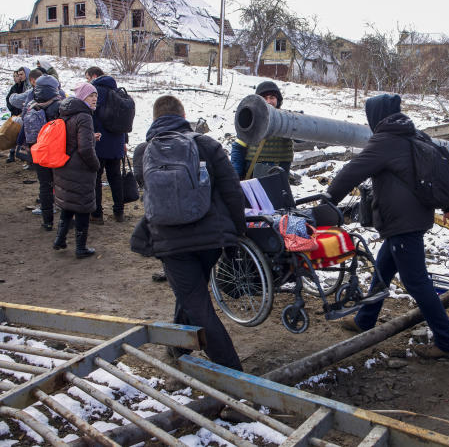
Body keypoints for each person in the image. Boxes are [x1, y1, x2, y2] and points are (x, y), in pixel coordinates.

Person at [325, 93, 449, 360]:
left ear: (375, 117)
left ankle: (447, 343)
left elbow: (352, 171)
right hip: (414, 218)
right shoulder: (414, 134)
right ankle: (365, 319)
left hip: (402, 222)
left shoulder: (385, 140)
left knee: (416, 282)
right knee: (383, 268)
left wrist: (328, 200)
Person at [131, 95, 245, 370]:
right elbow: (233, 191)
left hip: (170, 243)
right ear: (184, 115)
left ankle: (236, 380)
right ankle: (179, 346)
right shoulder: (206, 144)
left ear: (155, 118)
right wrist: (238, 234)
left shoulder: (143, 150)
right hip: (210, 239)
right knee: (193, 295)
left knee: (197, 303)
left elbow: (142, 183)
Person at [52, 83, 101, 258]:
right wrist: (96, 165)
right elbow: (85, 149)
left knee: (68, 204)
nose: (94, 98)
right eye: (90, 96)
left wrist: (91, 138)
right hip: (80, 169)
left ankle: (60, 239)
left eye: (95, 95)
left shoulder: (66, 113)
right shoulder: (84, 116)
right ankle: (81, 248)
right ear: (82, 98)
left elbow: (72, 138)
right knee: (82, 207)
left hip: (64, 166)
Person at [85, 66, 127, 224]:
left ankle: (97, 215)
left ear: (94, 76)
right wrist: (124, 141)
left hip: (99, 141)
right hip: (117, 142)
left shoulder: (94, 91)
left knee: (95, 178)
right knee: (115, 177)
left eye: (88, 77)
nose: (87, 81)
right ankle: (119, 213)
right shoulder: (118, 92)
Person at [231, 81, 295, 179]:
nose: (269, 101)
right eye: (265, 98)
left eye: (272, 97)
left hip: (278, 174)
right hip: (252, 175)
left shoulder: (287, 119)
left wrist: (298, 121)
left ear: (278, 100)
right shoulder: (251, 119)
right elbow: (238, 148)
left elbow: (303, 138)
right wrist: (236, 177)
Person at [27, 75, 63, 231]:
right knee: (62, 185)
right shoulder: (60, 107)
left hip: (40, 153)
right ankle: (66, 220)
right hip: (58, 152)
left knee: (45, 186)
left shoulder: (32, 107)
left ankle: (47, 221)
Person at [5, 67, 30, 163]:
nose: (16, 78)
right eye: (15, 76)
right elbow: (8, 100)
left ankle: (22, 155)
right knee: (15, 133)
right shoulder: (14, 87)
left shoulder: (26, 85)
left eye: (18, 75)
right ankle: (12, 153)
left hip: (23, 114)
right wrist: (14, 111)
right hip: (16, 114)